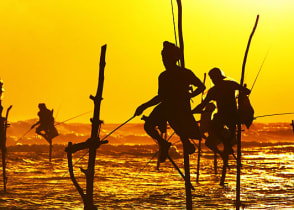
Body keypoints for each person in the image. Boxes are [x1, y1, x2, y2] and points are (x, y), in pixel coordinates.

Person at [135, 41, 205, 162]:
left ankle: (185, 143)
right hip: (167, 106)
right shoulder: (163, 76)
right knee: (148, 126)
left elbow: (201, 87)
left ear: (174, 59)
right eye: (163, 58)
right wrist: (144, 106)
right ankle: (163, 143)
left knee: (176, 122)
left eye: (166, 58)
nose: (164, 61)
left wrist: (189, 95)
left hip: (180, 108)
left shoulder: (185, 73)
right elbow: (161, 97)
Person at [192, 67, 250, 185]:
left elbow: (202, 105)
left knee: (218, 126)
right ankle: (227, 143)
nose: (213, 80)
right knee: (215, 126)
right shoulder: (222, 87)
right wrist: (192, 111)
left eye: (214, 78)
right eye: (212, 79)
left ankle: (227, 143)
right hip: (228, 116)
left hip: (230, 115)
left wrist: (241, 93)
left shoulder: (224, 86)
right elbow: (203, 105)